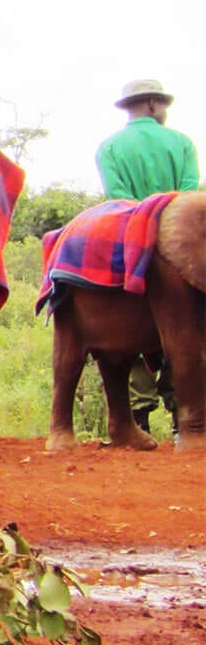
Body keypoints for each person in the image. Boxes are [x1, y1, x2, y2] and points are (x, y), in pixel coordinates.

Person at [95, 79, 199, 430]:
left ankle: (136, 416)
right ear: (154, 104)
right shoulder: (181, 142)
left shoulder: (109, 148)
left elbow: (117, 200)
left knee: (127, 325)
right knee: (187, 328)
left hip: (128, 244)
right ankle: (181, 417)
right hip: (179, 248)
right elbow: (188, 195)